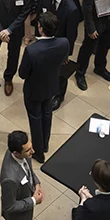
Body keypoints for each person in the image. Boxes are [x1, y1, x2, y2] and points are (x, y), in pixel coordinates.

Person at [18, 12, 69, 164]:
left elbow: (22, 74)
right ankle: (45, 144)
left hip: (34, 90)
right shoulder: (64, 43)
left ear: (40, 28)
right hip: (51, 86)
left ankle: (38, 152)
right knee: (47, 114)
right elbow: (63, 59)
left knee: (35, 119)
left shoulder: (32, 50)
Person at [0, 130, 42, 220]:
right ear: (16, 153)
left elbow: (29, 171)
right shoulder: (9, 179)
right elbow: (9, 206)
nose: (33, 151)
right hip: (17, 217)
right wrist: (33, 200)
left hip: (25, 207)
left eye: (31, 147)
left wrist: (37, 183)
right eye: (28, 150)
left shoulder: (22, 153)